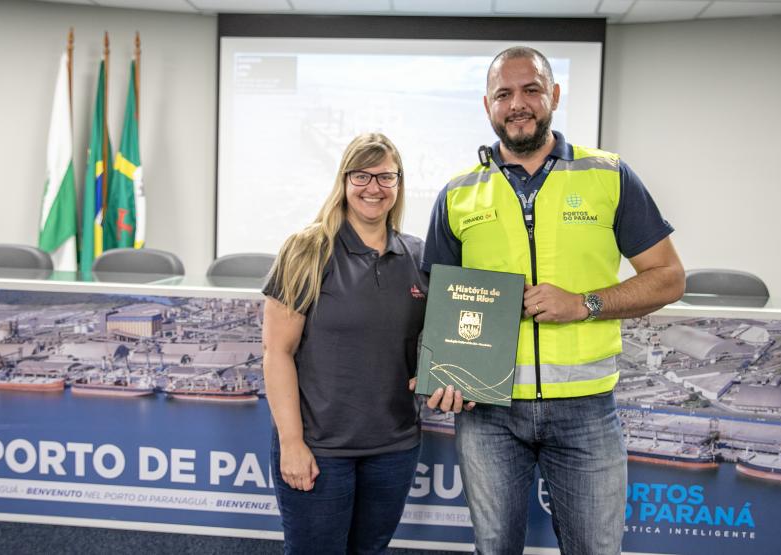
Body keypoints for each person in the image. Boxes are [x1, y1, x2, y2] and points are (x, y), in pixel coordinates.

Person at [422, 47, 685, 554]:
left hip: (586, 410)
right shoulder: (457, 193)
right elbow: (437, 303)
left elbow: (669, 278)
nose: (517, 104)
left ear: (555, 96)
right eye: (503, 94)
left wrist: (584, 303)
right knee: (494, 548)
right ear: (487, 106)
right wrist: (441, 373)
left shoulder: (609, 175)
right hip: (487, 412)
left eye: (531, 90)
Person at [261, 133, 428, 554]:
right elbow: (277, 353)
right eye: (362, 176)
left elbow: (434, 340)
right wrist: (292, 444)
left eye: (385, 176)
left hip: (394, 447)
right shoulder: (306, 250)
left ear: (399, 183)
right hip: (320, 448)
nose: (374, 187)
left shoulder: (418, 256)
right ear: (344, 180)